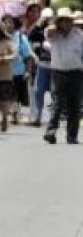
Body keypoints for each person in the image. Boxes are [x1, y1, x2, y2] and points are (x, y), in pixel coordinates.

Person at [44, 8, 83, 145]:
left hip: (76, 73)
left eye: (69, 20)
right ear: (59, 22)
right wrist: (58, 26)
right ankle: (51, 132)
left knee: (75, 105)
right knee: (57, 103)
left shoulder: (79, 35)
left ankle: (72, 136)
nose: (66, 23)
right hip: (58, 73)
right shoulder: (54, 35)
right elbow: (48, 31)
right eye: (63, 20)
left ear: (72, 22)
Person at [7, 16, 34, 126]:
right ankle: (11, 114)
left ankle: (15, 114)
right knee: (8, 94)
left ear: (15, 24)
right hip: (4, 72)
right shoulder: (1, 38)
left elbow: (28, 56)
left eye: (10, 22)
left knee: (16, 95)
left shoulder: (21, 37)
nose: (8, 24)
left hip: (18, 71)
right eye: (5, 22)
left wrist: (28, 71)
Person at [28, 7, 52, 126]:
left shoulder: (55, 30)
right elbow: (30, 35)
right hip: (42, 66)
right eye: (45, 18)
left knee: (54, 92)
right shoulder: (40, 31)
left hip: (55, 67)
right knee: (38, 91)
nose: (48, 20)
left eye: (49, 18)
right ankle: (38, 116)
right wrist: (39, 23)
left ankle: (54, 116)